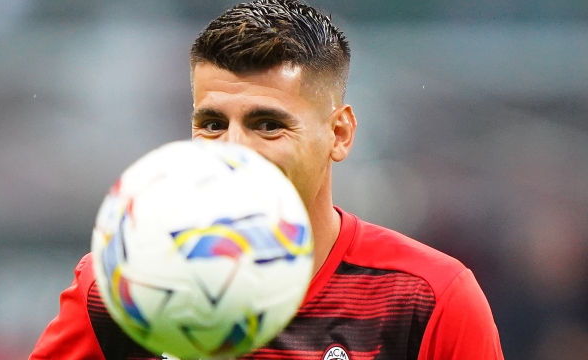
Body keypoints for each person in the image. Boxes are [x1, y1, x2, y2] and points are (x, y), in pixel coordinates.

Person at [30, 1, 504, 359]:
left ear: (339, 134)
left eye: (267, 124)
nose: (234, 151)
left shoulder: (428, 298)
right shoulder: (123, 284)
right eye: (212, 124)